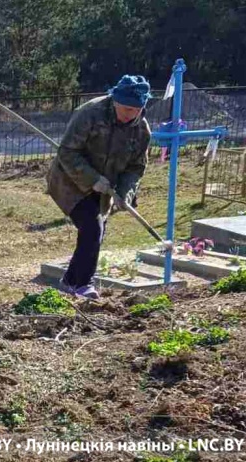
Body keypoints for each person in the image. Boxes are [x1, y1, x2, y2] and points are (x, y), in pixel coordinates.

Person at [46, 75, 152, 299]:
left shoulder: (141, 130)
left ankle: (71, 281)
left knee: (95, 232)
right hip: (70, 180)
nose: (129, 115)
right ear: (114, 100)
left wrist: (126, 192)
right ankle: (84, 285)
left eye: (135, 110)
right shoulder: (90, 113)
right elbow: (67, 152)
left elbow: (135, 167)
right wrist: (91, 178)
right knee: (93, 227)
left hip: (106, 188)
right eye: (125, 109)